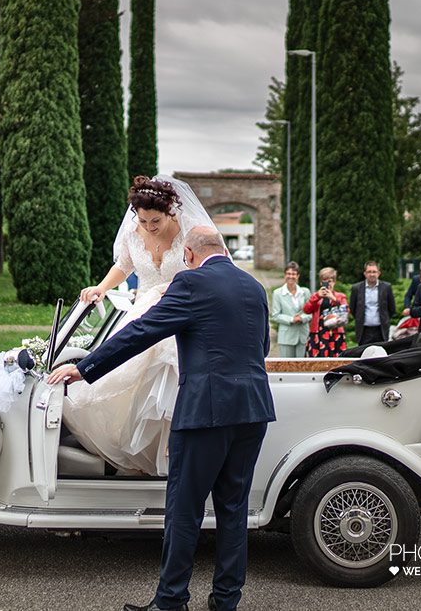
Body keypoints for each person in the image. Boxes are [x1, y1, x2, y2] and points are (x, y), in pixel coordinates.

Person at [48, 227, 275, 611]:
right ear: (221, 250)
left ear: (188, 253)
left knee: (184, 509)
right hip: (252, 410)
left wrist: (85, 368)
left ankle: (171, 601)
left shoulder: (190, 283)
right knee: (233, 510)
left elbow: (142, 331)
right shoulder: (253, 287)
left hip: (206, 412)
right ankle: (225, 601)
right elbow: (262, 347)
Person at [64, 175, 217, 476]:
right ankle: (140, 459)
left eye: (155, 221)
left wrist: (174, 289)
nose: (149, 227)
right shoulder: (134, 233)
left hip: (179, 312)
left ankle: (176, 455)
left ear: (172, 210)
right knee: (129, 382)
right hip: (144, 311)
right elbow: (124, 266)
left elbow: (208, 269)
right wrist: (102, 288)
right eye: (143, 220)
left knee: (169, 378)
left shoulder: (191, 232)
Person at [302, 267, 348, 357]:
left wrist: (333, 298)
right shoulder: (316, 296)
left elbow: (346, 311)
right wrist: (317, 297)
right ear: (321, 282)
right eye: (325, 281)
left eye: (330, 281)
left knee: (335, 362)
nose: (328, 284)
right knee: (315, 364)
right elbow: (306, 310)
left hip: (335, 333)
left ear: (334, 282)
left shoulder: (340, 296)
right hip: (317, 334)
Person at [349, 261, 396, 346]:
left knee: (381, 356)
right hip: (364, 331)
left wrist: (385, 319)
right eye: (369, 272)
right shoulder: (356, 288)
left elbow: (392, 308)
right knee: (363, 355)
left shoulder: (386, 287)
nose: (372, 274)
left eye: (374, 272)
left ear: (379, 273)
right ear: (365, 273)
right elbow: (353, 308)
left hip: (380, 330)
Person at [270, 261, 311, 357]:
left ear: (298, 276)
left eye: (294, 274)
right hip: (286, 337)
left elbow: (310, 313)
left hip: (303, 336)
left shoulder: (305, 292)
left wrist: (302, 318)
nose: (291, 276)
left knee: (303, 368)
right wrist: (292, 319)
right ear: (285, 275)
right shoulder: (278, 293)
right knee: (287, 368)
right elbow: (275, 315)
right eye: (288, 273)